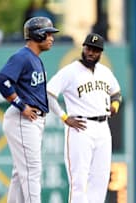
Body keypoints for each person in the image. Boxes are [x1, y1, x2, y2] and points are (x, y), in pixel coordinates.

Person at [46, 33, 122, 203]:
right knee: (78, 182)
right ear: (83, 48)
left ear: (100, 53)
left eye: (95, 50)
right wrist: (64, 117)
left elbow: (116, 94)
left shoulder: (105, 72)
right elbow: (49, 93)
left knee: (101, 180)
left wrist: (115, 106)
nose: (91, 52)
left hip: (103, 127)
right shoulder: (70, 71)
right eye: (88, 48)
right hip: (80, 127)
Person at [0, 16, 59, 203]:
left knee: (20, 173)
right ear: (37, 35)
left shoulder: (34, 59)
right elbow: (2, 80)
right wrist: (20, 105)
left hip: (32, 120)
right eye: (48, 34)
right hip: (23, 120)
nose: (51, 38)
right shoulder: (22, 56)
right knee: (32, 171)